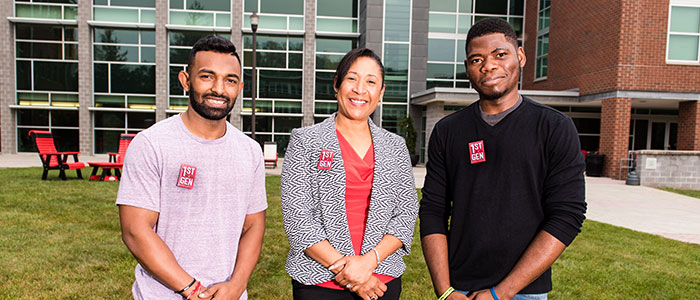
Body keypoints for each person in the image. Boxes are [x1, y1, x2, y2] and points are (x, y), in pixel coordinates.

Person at [419, 18, 587, 300]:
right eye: (477, 59)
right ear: (468, 69)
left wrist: (501, 293)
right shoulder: (448, 131)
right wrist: (445, 291)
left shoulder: (554, 127)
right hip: (459, 289)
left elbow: (566, 216)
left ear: (520, 57)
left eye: (500, 54)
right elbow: (433, 212)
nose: (489, 65)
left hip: (525, 291)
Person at [117, 35, 267, 300]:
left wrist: (237, 285)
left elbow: (254, 226)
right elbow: (135, 230)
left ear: (240, 86)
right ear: (186, 80)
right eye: (207, 76)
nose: (219, 89)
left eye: (230, 80)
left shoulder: (250, 151)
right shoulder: (152, 144)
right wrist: (192, 290)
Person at [280, 48, 418, 300]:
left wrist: (368, 263)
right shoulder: (305, 141)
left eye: (371, 82)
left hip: (381, 280)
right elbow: (298, 217)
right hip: (319, 281)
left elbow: (406, 213)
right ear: (337, 84)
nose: (360, 90)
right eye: (352, 79)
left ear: (381, 92)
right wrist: (349, 271)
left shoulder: (395, 146)